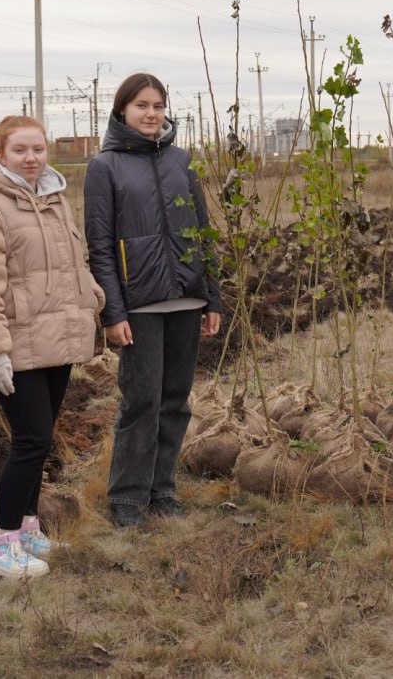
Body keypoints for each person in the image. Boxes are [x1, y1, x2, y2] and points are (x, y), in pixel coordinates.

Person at [0, 115, 105, 577]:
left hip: (56, 339)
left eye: (38, 150)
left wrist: (93, 302)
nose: (31, 158)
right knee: (30, 440)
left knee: (40, 443)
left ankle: (26, 531)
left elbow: (72, 267)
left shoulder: (55, 199)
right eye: (20, 150)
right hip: (17, 344)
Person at [83, 73, 221, 528]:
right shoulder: (105, 167)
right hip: (138, 306)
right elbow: (100, 247)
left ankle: (163, 489)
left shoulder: (183, 162)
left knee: (175, 400)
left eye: (158, 105)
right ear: (122, 110)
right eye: (141, 105)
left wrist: (212, 299)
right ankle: (127, 496)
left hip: (186, 299)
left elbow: (204, 233)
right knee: (140, 400)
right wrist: (113, 312)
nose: (150, 113)